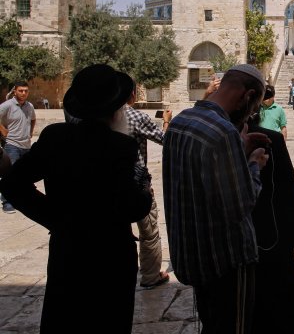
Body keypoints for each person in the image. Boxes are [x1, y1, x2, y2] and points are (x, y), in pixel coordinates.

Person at [0, 64, 152, 332]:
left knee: (64, 318)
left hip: (68, 252)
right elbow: (134, 207)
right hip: (110, 256)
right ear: (115, 110)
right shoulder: (121, 147)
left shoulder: (55, 138)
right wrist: (144, 187)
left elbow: (13, 184)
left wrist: (56, 219)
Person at [162, 64, 269, 334]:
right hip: (227, 260)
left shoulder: (181, 121)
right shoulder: (224, 132)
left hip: (196, 256)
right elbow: (242, 204)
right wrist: (254, 163)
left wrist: (239, 149)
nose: (251, 113)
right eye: (253, 106)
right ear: (247, 96)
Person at [247, 115, 294, 333]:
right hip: (271, 240)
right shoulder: (270, 140)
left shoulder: (212, 138)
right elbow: (289, 190)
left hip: (233, 248)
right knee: (280, 312)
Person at [124, 87, 171, 289]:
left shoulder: (98, 118)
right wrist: (167, 121)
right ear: (133, 95)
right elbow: (167, 140)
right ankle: (151, 276)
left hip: (108, 185)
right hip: (137, 185)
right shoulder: (136, 117)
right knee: (148, 231)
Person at [0, 81, 36, 214]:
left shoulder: (30, 106)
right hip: (11, 144)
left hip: (26, 145)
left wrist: (30, 132)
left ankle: (22, 198)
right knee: (10, 174)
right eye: (21, 90)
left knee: (25, 174)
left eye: (26, 91)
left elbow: (33, 119)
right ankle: (7, 202)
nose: (24, 93)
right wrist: (3, 130)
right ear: (15, 91)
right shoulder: (7, 105)